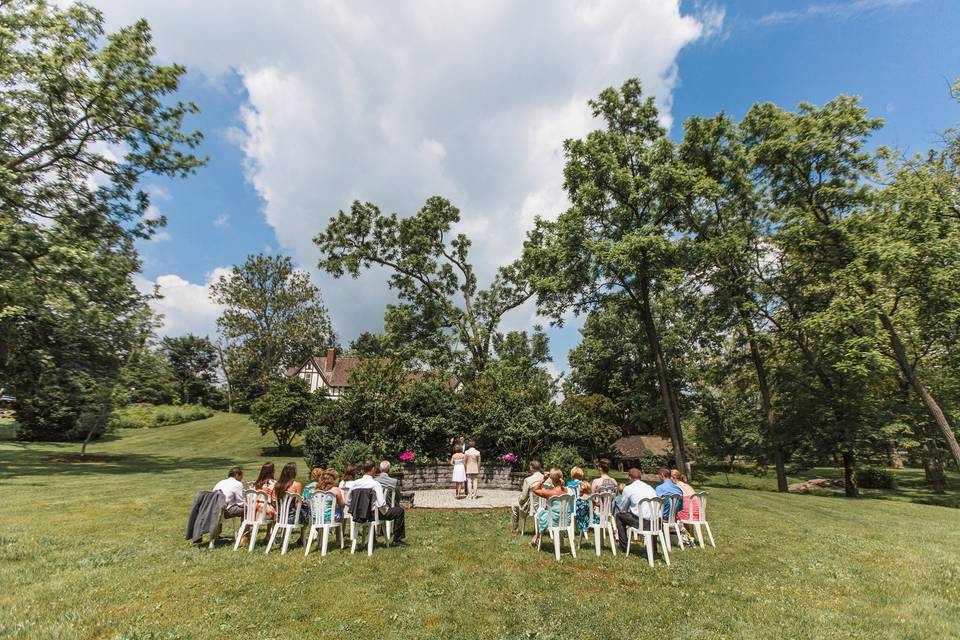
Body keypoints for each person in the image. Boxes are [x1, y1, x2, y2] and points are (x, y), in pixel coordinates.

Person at [351, 459, 407, 546]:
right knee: (399, 511)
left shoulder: (354, 483)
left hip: (359, 515)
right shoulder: (375, 484)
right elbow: (381, 504)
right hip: (373, 515)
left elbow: (349, 500)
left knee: (372, 511)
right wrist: (386, 510)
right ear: (373, 469)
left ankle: (371, 539)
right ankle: (397, 540)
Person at [614, 468, 656, 553]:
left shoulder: (628, 488)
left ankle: (624, 547)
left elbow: (623, 508)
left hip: (643, 523)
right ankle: (653, 548)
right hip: (656, 522)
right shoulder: (650, 487)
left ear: (629, 477)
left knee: (619, 516)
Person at [529, 469, 569, 548]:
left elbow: (535, 490)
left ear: (552, 480)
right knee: (544, 512)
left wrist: (543, 479)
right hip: (566, 520)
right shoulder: (566, 490)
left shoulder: (550, 493)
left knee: (540, 513)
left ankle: (536, 537)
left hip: (554, 521)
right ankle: (537, 537)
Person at [511, 460, 544, 533]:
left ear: (532, 468)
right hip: (545, 507)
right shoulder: (548, 479)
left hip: (532, 507)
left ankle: (515, 529)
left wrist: (519, 500)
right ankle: (536, 529)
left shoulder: (528, 480)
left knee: (514, 505)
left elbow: (523, 498)